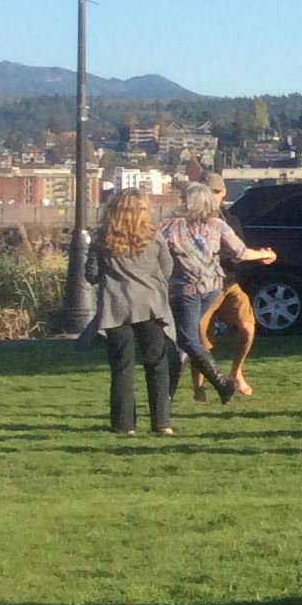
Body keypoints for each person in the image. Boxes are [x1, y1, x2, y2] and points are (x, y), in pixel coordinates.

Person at [157, 182, 277, 405]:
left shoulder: (170, 226)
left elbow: (151, 247)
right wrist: (262, 254)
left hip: (185, 289)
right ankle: (166, 398)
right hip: (213, 287)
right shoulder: (217, 225)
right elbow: (240, 252)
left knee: (187, 339)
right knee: (185, 340)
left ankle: (220, 381)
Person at [87, 190, 184, 435]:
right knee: (157, 365)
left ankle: (124, 425)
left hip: (116, 307)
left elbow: (91, 274)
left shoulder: (102, 238)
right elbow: (167, 269)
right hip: (151, 306)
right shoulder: (154, 237)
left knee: (122, 368)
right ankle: (162, 422)